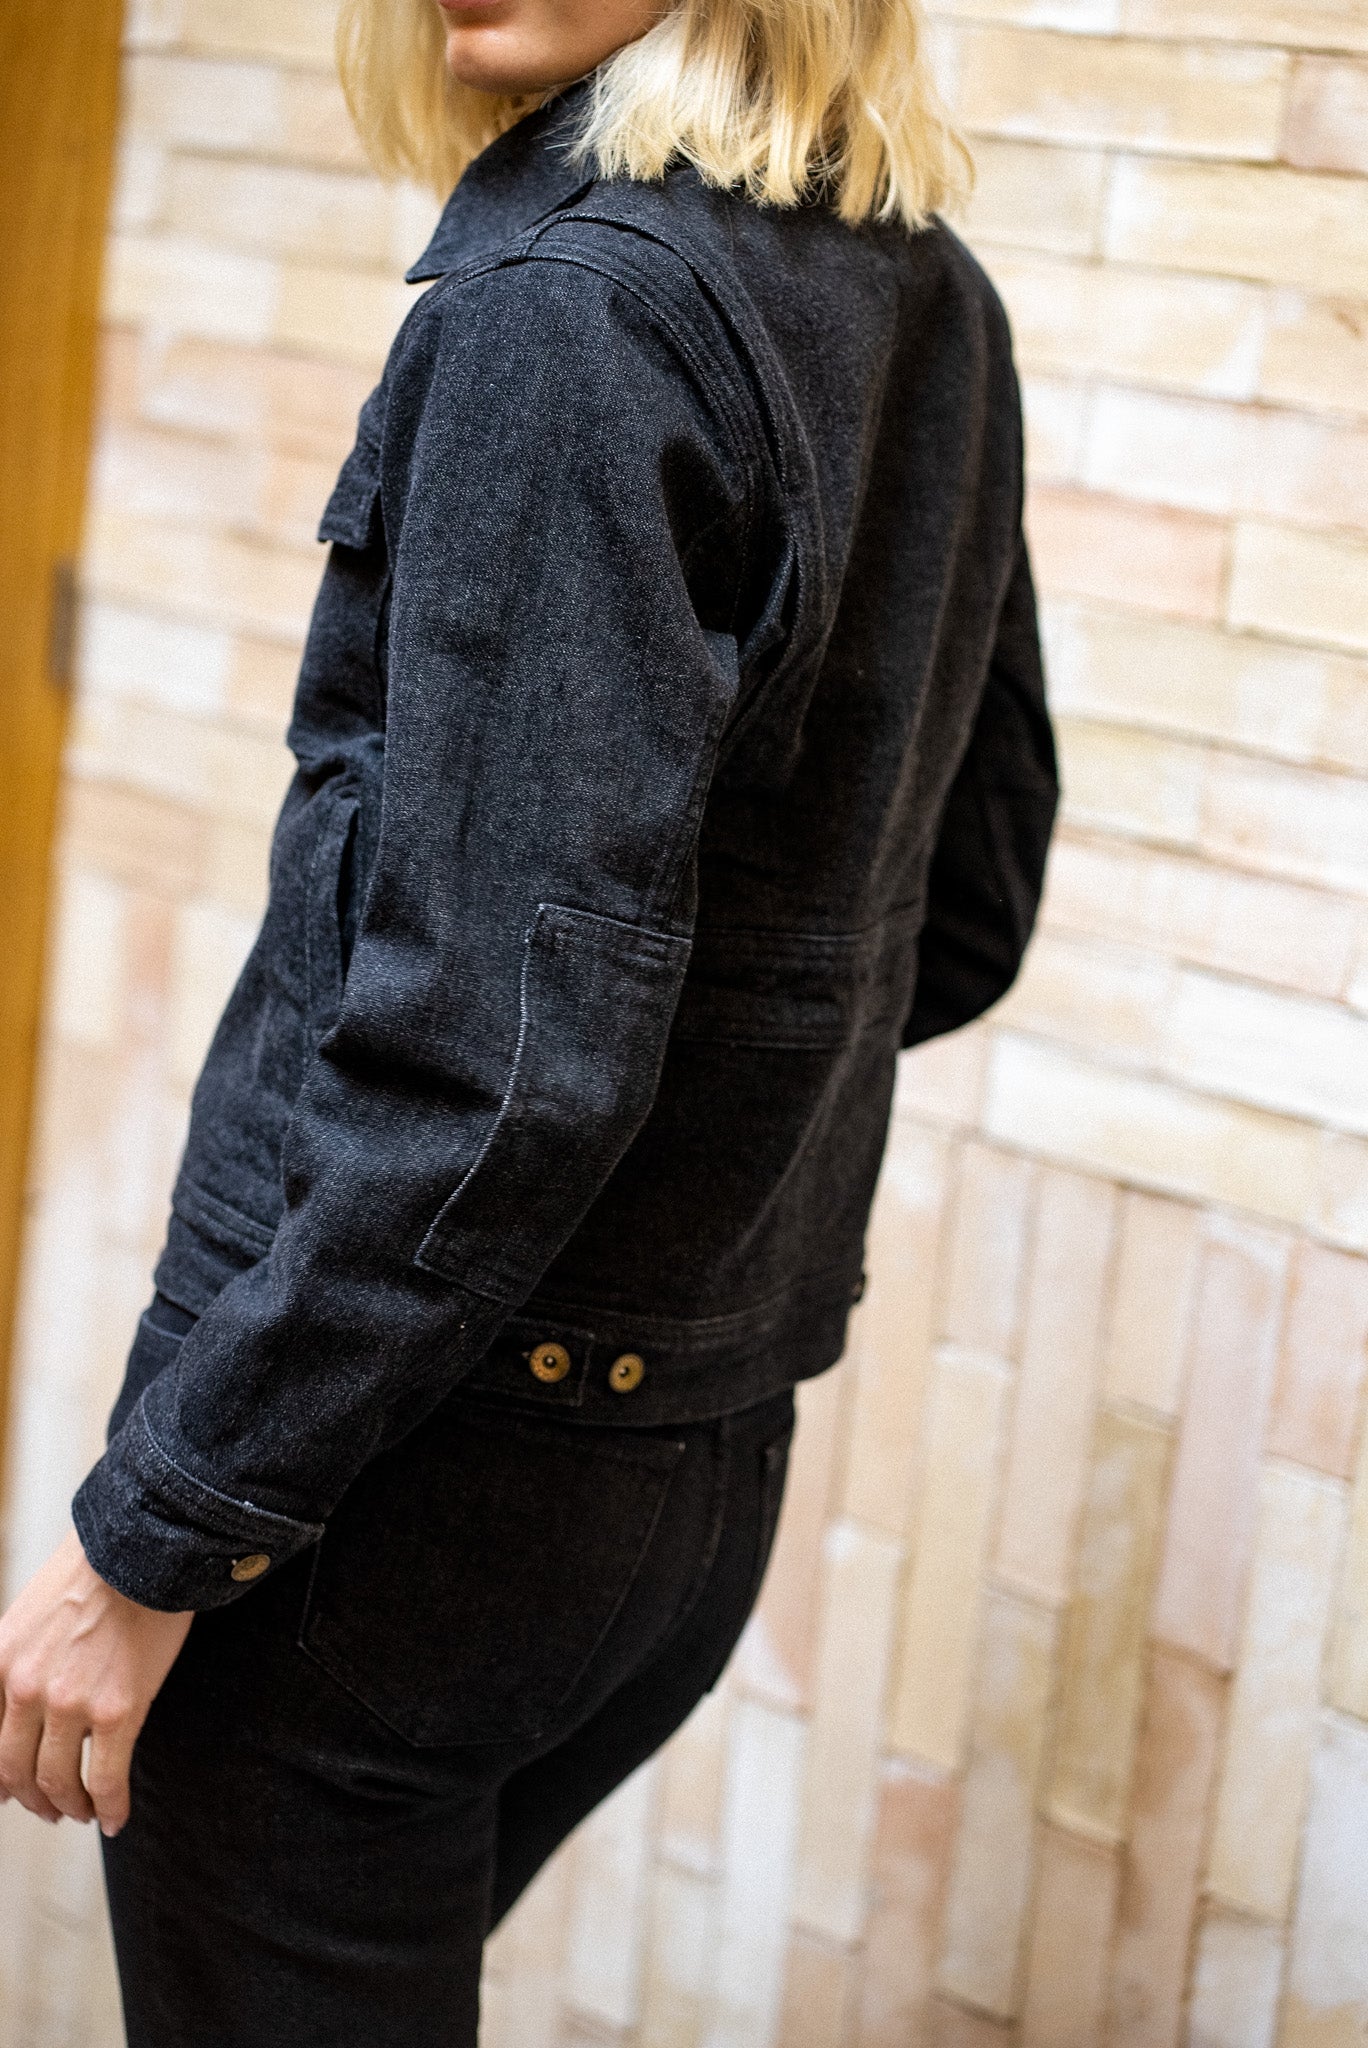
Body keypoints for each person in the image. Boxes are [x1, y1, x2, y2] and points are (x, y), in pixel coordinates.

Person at [0, 0, 1058, 2039]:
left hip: (395, 1523)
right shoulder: (933, 294)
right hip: (680, 1494)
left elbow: (494, 1057)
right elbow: (972, 896)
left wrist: (152, 1539)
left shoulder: (569, 316)